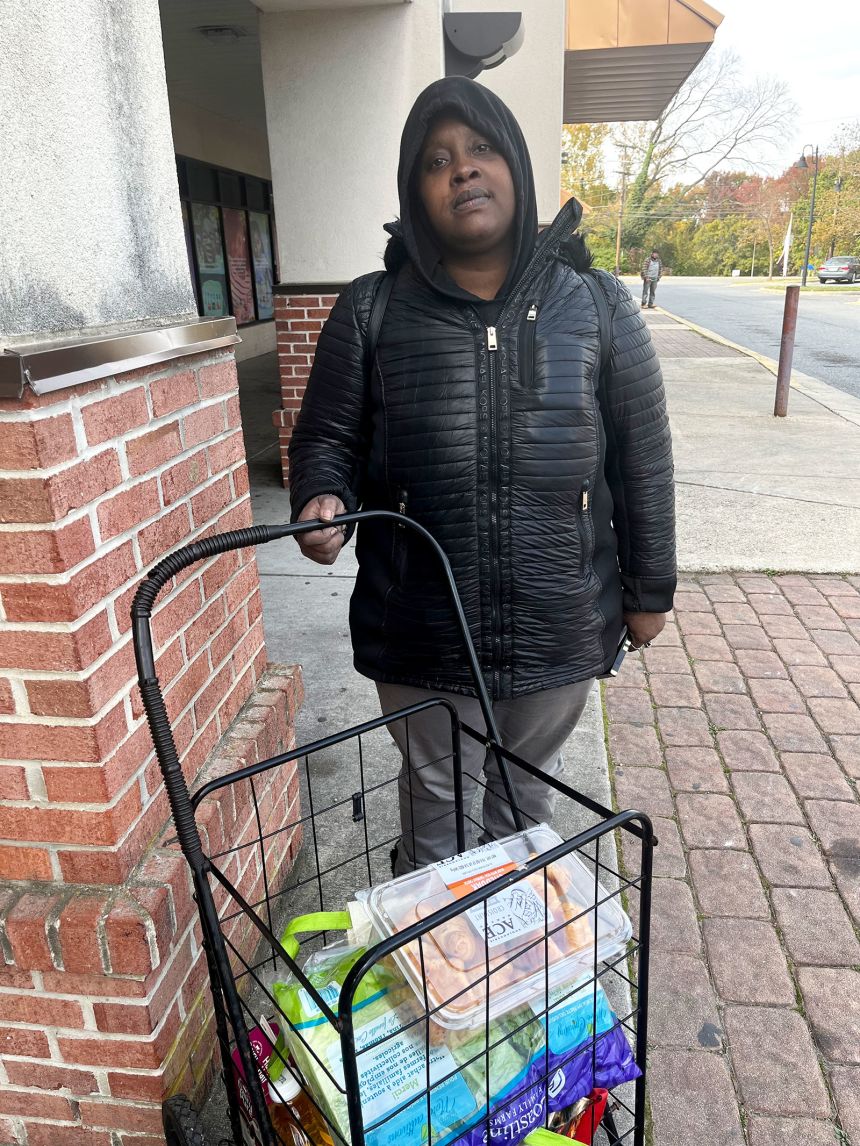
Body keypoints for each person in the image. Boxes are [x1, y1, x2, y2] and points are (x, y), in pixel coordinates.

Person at [288, 78, 675, 873]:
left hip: (559, 621)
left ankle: (511, 963)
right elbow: (327, 436)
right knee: (437, 810)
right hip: (417, 627)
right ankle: (441, 976)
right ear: (416, 190)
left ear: (518, 169)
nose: (462, 170)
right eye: (437, 160)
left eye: (481, 149)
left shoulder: (597, 305)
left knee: (523, 806)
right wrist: (321, 497)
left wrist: (650, 591)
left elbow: (644, 460)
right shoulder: (371, 309)